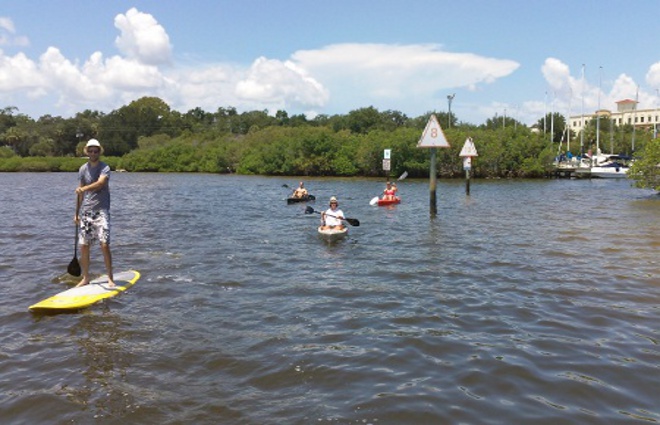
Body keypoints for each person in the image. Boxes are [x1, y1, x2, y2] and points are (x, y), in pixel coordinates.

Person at [74, 139, 115, 287]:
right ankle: (85, 278)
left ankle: (110, 277)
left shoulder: (105, 168)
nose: (93, 153)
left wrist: (84, 189)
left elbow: (100, 183)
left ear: (99, 152)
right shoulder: (82, 169)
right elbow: (80, 194)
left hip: (102, 211)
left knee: (104, 244)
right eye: (90, 150)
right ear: (86, 151)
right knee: (84, 246)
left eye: (95, 151)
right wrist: (76, 214)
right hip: (86, 212)